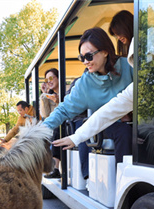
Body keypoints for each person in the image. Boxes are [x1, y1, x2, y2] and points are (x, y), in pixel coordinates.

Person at [42, 27, 133, 166]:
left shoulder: (129, 66)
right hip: (106, 125)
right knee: (124, 132)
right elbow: (64, 110)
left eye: (88, 56)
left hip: (139, 123)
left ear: (105, 52)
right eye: (81, 57)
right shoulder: (84, 84)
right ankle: (124, 179)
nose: (85, 62)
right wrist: (39, 132)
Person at [40, 68, 61, 178]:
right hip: (57, 126)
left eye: (51, 78)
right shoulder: (50, 95)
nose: (49, 81)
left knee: (57, 129)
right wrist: (44, 95)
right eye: (46, 79)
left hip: (68, 124)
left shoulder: (68, 90)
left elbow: (67, 109)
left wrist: (58, 101)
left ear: (58, 77)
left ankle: (55, 168)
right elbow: (45, 115)